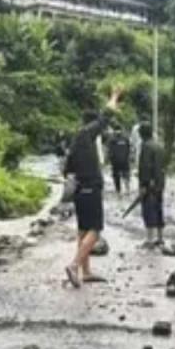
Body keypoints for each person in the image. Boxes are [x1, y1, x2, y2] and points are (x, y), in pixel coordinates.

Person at [63, 87, 123, 288]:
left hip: (80, 190)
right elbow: (106, 116)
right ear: (91, 124)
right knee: (95, 231)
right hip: (90, 188)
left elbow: (67, 170)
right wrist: (114, 97)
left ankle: (86, 272)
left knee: (82, 231)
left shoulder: (75, 141)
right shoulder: (86, 135)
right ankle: (74, 265)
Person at [137, 122, 166, 248]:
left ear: (141, 134)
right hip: (160, 183)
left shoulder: (146, 146)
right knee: (159, 209)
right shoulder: (159, 145)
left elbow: (145, 166)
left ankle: (149, 239)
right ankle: (160, 237)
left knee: (149, 210)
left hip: (150, 184)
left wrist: (144, 184)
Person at [107, 127, 132, 195]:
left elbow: (110, 151)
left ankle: (118, 191)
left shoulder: (112, 139)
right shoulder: (125, 138)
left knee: (117, 177)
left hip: (116, 162)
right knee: (126, 175)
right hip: (124, 161)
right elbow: (129, 149)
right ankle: (127, 189)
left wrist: (110, 160)